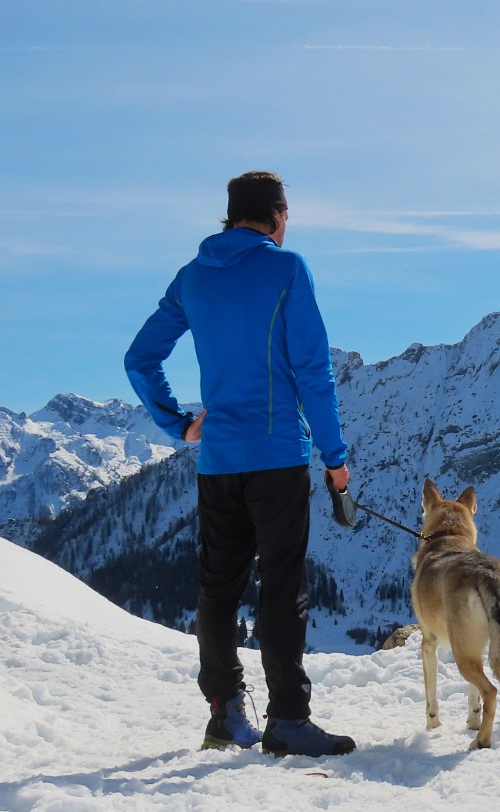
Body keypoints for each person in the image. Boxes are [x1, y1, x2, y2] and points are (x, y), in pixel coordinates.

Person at [124, 171, 355, 757]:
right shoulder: (286, 267)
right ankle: (288, 720)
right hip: (276, 455)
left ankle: (225, 714)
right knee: (281, 587)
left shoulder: (192, 278)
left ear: (229, 218)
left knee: (218, 590)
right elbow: (314, 371)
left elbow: (139, 357)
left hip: (217, 461)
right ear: (277, 216)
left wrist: (177, 422)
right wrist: (335, 459)